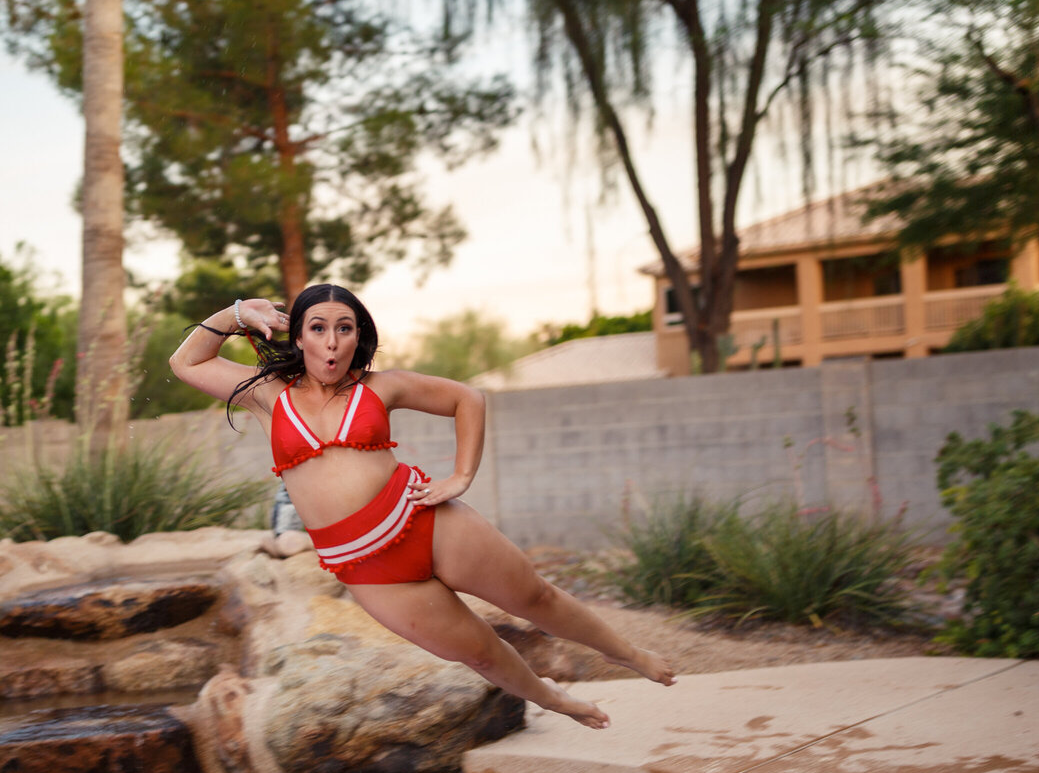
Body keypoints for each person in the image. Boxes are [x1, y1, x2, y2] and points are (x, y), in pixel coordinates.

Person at [170, 284, 675, 729]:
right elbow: (186, 362)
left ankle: (629, 655)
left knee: (537, 598)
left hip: (424, 521)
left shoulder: (381, 386)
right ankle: (555, 700)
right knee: (479, 653)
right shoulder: (267, 395)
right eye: (318, 327)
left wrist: (461, 476)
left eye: (344, 328)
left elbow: (468, 399)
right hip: (368, 567)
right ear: (298, 338)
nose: (331, 340)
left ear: (357, 337)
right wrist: (234, 315)